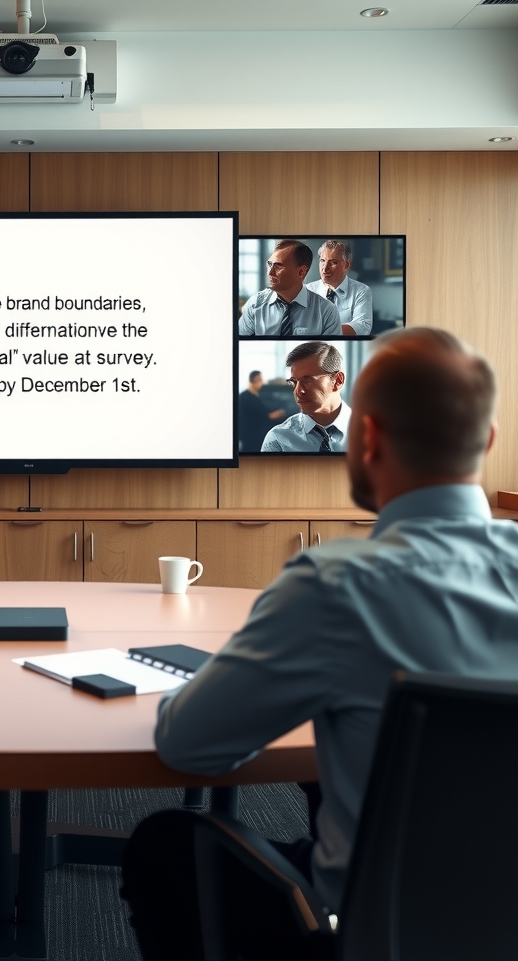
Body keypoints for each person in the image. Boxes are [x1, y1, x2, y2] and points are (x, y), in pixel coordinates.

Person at [120, 327, 518, 961]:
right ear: (488, 441)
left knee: (165, 845)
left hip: (373, 933)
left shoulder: (336, 588)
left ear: (366, 437)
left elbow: (189, 742)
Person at [238, 240, 341, 338]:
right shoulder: (255, 304)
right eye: (270, 264)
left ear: (301, 272)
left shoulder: (327, 311)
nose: (270, 273)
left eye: (278, 266)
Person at [262, 342, 350, 453]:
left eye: (308, 380)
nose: (298, 391)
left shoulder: (374, 432)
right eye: (293, 382)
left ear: (337, 381)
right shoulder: (278, 439)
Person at [305, 239, 373, 336]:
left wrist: (323, 330)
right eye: (322, 260)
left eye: (333, 262)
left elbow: (362, 327)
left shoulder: (361, 291)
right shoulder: (307, 290)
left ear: (346, 265)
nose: (325, 268)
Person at [239, 370, 286, 453]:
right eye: (260, 380)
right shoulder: (245, 397)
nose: (262, 382)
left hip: (257, 434)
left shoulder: (257, 396)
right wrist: (275, 415)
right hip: (252, 435)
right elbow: (260, 415)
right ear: (254, 381)